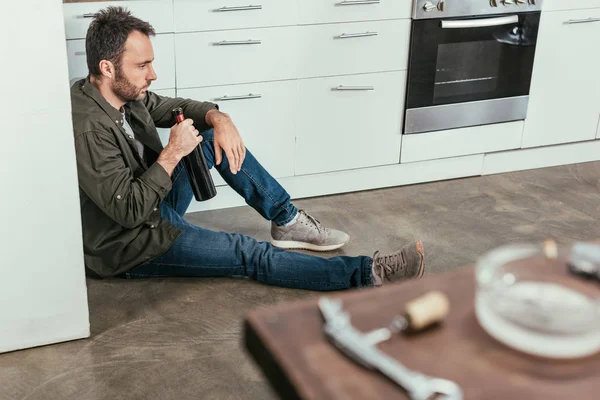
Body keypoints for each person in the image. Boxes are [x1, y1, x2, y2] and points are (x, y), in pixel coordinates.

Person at [70, 6, 426, 291]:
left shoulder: (122, 93)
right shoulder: (88, 127)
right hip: (130, 244)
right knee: (248, 253)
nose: (153, 74)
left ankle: (286, 219)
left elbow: (173, 106)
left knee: (210, 138)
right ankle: (370, 273)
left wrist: (218, 118)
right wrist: (172, 153)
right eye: (143, 65)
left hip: (153, 206)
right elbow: (129, 212)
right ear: (107, 67)